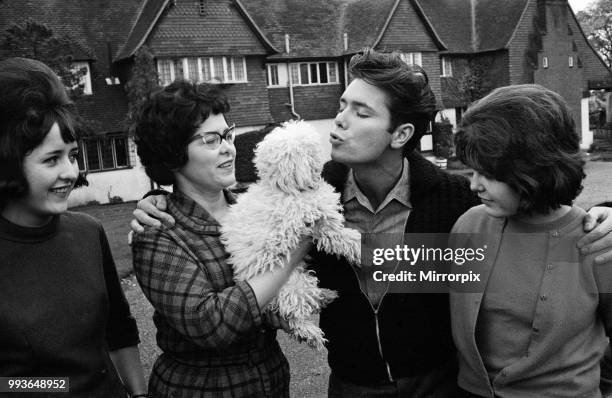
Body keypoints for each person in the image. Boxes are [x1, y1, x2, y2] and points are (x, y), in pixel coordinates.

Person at [130, 49, 612, 397]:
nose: (338, 121)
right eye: (341, 105)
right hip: (350, 385)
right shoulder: (306, 200)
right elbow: (235, 221)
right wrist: (156, 198)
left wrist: (605, 213)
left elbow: (535, 207)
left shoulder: (460, 204)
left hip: (440, 386)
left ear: (401, 133)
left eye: (360, 112)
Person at [130, 80, 310, 398]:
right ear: (173, 155)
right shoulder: (159, 233)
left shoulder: (253, 206)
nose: (229, 146)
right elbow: (209, 324)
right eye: (212, 140)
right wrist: (291, 255)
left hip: (270, 381)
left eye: (228, 135)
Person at [450, 84, 612, 398]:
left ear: (535, 166)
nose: (474, 185)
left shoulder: (595, 242)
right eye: (472, 171)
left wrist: (598, 386)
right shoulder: (469, 227)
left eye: (489, 174)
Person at [0, 57, 147, 397]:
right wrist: (65, 385)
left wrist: (139, 395)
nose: (71, 172)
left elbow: (119, 331)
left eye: (72, 155)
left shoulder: (88, 232)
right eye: (52, 160)